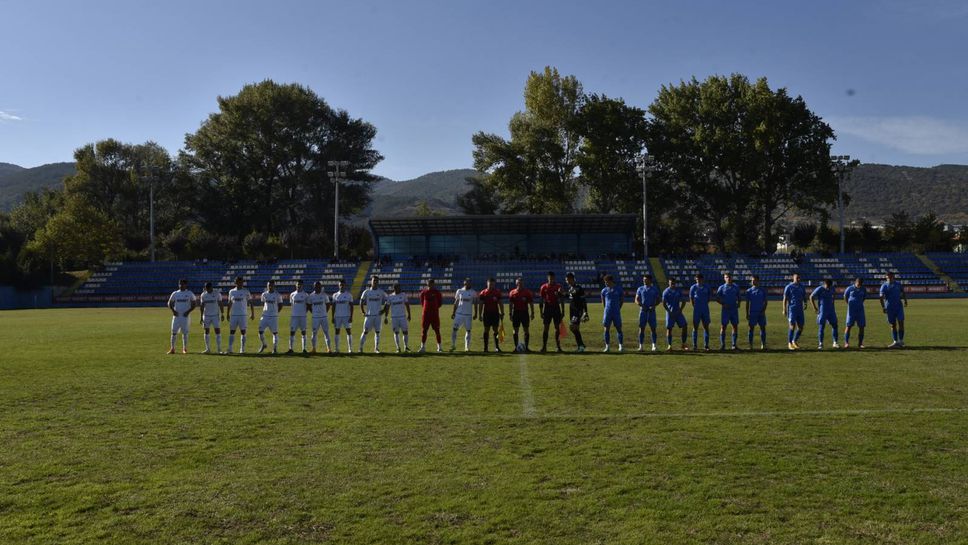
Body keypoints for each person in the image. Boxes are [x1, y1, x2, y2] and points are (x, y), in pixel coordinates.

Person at [359, 275, 388, 353]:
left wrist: (384, 310)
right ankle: (360, 348)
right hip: (369, 316)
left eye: (376, 281)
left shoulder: (381, 292)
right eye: (373, 280)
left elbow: (387, 301)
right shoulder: (366, 292)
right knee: (365, 331)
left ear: (378, 282)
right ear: (371, 281)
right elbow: (361, 301)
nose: (375, 282)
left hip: (378, 316)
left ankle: (376, 348)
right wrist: (362, 311)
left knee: (377, 332)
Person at [167, 278, 197, 354]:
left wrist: (188, 312)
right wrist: (173, 311)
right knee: (173, 332)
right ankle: (172, 349)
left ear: (186, 285)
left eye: (182, 284)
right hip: (176, 317)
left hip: (185, 317)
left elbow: (194, 304)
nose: (181, 285)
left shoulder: (190, 293)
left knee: (185, 333)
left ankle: (185, 349)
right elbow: (169, 303)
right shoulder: (175, 293)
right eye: (179, 284)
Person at [226, 276, 255, 354]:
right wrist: (227, 314)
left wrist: (252, 313)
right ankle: (230, 348)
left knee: (243, 331)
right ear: (235, 282)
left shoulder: (246, 291)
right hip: (234, 315)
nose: (240, 283)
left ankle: (242, 349)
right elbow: (229, 303)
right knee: (232, 331)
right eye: (238, 282)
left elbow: (251, 303)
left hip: (243, 315)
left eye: (241, 282)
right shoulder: (231, 292)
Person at [880, 271, 908, 348]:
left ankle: (901, 341)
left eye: (890, 276)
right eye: (888, 277)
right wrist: (883, 307)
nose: (889, 278)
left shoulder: (898, 284)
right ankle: (895, 341)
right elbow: (881, 297)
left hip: (899, 306)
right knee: (893, 325)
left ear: (893, 277)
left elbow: (903, 292)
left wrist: (905, 301)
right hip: (889, 307)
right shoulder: (884, 286)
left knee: (901, 322)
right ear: (886, 277)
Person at [538, 271, 565, 353]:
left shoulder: (558, 286)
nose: (552, 279)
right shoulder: (543, 287)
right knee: (546, 328)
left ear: (554, 278)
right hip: (547, 308)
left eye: (553, 278)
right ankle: (544, 347)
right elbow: (541, 300)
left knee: (557, 328)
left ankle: (558, 347)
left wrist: (563, 310)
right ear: (548, 278)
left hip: (556, 308)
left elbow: (561, 299)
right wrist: (541, 312)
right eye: (550, 278)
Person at [810, 278, 840, 350]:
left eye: (830, 286)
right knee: (822, 326)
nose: (829, 287)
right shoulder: (820, 289)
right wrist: (814, 308)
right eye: (828, 286)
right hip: (823, 310)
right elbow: (811, 297)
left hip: (831, 310)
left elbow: (834, 294)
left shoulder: (832, 288)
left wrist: (833, 302)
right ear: (825, 284)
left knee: (835, 325)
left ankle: (835, 342)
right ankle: (820, 343)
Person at [634, 274, 660, 352]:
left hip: (652, 311)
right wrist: (640, 305)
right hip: (643, 311)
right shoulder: (640, 288)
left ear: (650, 280)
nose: (644, 281)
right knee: (641, 328)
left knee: (653, 329)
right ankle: (641, 346)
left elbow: (658, 300)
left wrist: (654, 305)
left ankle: (654, 346)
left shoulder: (654, 289)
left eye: (646, 279)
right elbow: (636, 299)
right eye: (643, 279)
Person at [508, 277, 535, 352]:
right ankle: (516, 348)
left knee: (526, 330)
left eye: (521, 283)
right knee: (515, 330)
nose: (519, 284)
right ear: (516, 284)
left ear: (523, 283)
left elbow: (531, 303)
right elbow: (510, 304)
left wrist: (532, 313)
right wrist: (510, 314)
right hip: (516, 313)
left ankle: (526, 347)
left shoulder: (527, 292)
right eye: (518, 283)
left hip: (524, 313)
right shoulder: (512, 292)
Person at [716, 272, 741, 350]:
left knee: (735, 326)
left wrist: (739, 303)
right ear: (724, 278)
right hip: (725, 310)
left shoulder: (736, 287)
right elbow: (717, 298)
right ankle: (722, 345)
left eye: (729, 277)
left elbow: (739, 297)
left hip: (734, 310)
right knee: (723, 326)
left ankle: (734, 345)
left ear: (732, 278)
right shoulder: (721, 287)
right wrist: (722, 303)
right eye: (726, 277)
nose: (728, 278)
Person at [478, 278, 504, 352]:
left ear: (494, 284)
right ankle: (485, 348)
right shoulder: (483, 293)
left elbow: (500, 303)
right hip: (486, 314)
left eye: (492, 284)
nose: (491, 286)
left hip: (495, 314)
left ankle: (497, 347)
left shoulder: (497, 292)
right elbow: (481, 305)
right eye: (490, 284)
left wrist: (502, 313)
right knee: (486, 330)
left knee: (495, 330)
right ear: (487, 284)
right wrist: (480, 315)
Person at [662, 278, 689, 351]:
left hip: (678, 312)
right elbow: (664, 303)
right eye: (671, 283)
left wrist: (680, 310)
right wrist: (668, 311)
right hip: (670, 313)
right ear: (669, 283)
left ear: (675, 283)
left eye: (673, 283)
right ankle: (669, 345)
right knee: (669, 329)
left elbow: (684, 301)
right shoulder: (666, 292)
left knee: (685, 326)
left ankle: (684, 344)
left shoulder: (678, 291)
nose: (672, 284)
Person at [451, 278, 477, 352]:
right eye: (466, 283)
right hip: (459, 314)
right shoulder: (459, 291)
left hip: (468, 315)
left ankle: (467, 347)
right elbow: (456, 302)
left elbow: (475, 304)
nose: (468, 284)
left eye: (469, 283)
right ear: (464, 283)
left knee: (468, 331)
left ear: (470, 284)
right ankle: (453, 345)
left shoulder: (473, 292)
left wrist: (476, 314)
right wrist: (453, 313)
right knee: (454, 329)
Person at [782, 272, 807, 351]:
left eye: (799, 278)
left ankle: (794, 341)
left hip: (800, 309)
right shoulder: (789, 287)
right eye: (797, 278)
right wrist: (784, 309)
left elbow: (804, 296)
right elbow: (785, 299)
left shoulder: (802, 287)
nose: (798, 279)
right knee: (792, 326)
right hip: (792, 309)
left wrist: (805, 302)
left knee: (800, 327)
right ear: (793, 278)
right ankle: (789, 343)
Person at [565, 272, 589, 352]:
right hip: (572, 311)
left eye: (567, 279)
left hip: (577, 311)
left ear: (571, 279)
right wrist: (560, 293)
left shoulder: (578, 288)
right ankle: (581, 345)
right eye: (566, 279)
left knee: (572, 326)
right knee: (574, 328)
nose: (566, 280)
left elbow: (583, 300)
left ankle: (581, 346)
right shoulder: (570, 288)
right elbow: (568, 296)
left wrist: (585, 312)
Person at [198, 281, 224, 354]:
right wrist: (201, 317)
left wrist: (222, 314)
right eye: (206, 289)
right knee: (206, 331)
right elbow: (202, 306)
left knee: (217, 331)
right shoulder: (203, 295)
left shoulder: (217, 294)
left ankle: (219, 349)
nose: (207, 290)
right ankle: (207, 349)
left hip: (215, 315)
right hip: (206, 316)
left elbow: (220, 304)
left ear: (211, 287)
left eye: (208, 288)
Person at [258, 280, 283, 354]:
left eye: (271, 285)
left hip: (273, 317)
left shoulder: (277, 295)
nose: (270, 287)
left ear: (274, 286)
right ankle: (264, 344)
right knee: (260, 332)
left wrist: (275, 313)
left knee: (275, 333)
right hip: (264, 316)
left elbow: (280, 306)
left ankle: (275, 349)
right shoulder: (264, 294)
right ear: (267, 286)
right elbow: (263, 304)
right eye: (269, 285)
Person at [384, 283, 411, 353]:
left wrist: (409, 314)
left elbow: (407, 305)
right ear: (394, 288)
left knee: (405, 332)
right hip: (394, 317)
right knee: (396, 333)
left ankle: (406, 347)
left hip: (403, 317)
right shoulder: (390, 297)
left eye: (399, 287)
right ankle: (398, 348)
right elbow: (387, 307)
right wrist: (386, 317)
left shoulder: (403, 295)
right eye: (396, 288)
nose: (398, 289)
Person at [600, 274, 624, 352]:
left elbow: (622, 300)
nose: (605, 283)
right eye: (605, 282)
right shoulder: (604, 290)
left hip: (616, 312)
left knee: (619, 329)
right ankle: (607, 346)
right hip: (607, 312)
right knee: (606, 329)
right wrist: (606, 309)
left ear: (611, 281)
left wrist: (618, 308)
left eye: (606, 282)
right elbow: (603, 302)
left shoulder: (619, 289)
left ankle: (620, 346)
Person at [307, 281, 332, 353]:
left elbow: (328, 305)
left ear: (321, 287)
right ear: (314, 287)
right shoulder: (311, 296)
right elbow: (309, 305)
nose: (317, 287)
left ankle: (329, 349)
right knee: (314, 333)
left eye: (319, 286)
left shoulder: (324, 295)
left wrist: (325, 312)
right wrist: (313, 312)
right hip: (315, 318)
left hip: (324, 317)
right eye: (316, 286)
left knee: (326, 333)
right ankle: (314, 349)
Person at [689, 273, 713, 351]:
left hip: (705, 309)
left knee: (706, 327)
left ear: (702, 279)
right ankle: (695, 345)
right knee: (695, 327)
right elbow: (691, 298)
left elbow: (709, 297)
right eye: (697, 279)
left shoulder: (707, 287)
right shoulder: (693, 287)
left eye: (699, 279)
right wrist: (695, 306)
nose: (698, 280)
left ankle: (706, 345)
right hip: (697, 310)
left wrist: (704, 304)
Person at [744, 274, 768, 350]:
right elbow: (747, 303)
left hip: (761, 313)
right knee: (751, 329)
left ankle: (763, 345)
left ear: (758, 281)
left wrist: (763, 310)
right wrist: (747, 313)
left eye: (754, 280)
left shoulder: (763, 290)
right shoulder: (749, 291)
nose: (753, 281)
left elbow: (765, 302)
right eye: (752, 280)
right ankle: (750, 345)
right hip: (753, 312)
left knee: (763, 328)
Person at [419, 278, 443, 353]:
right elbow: (422, 303)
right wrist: (426, 309)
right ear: (427, 284)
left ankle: (439, 347)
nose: (430, 284)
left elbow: (440, 303)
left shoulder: (437, 292)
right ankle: (422, 347)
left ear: (434, 284)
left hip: (434, 315)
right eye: (429, 283)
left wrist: (434, 308)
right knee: (424, 331)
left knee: (437, 331)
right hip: (426, 315)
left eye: (432, 283)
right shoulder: (424, 292)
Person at [331, 279, 354, 353]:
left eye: (343, 285)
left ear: (345, 286)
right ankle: (337, 349)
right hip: (337, 316)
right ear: (338, 286)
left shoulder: (349, 295)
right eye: (340, 285)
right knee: (337, 332)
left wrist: (351, 316)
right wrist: (332, 316)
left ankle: (350, 349)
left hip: (346, 316)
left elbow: (351, 307)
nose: (342, 286)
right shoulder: (335, 295)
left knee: (349, 332)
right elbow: (333, 307)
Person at [843, 277, 867, 349]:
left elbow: (864, 297)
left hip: (860, 310)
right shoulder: (850, 288)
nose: (859, 285)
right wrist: (849, 304)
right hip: (851, 310)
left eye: (861, 283)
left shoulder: (863, 289)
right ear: (855, 282)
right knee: (849, 326)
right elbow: (845, 296)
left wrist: (859, 303)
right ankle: (846, 343)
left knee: (862, 327)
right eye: (858, 283)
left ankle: (860, 343)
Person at [288, 279, 310, 354]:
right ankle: (291, 349)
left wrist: (303, 312)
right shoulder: (292, 294)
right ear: (295, 285)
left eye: (300, 285)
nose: (298, 286)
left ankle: (304, 349)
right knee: (292, 332)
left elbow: (308, 306)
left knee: (303, 332)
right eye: (297, 284)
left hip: (302, 316)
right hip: (294, 316)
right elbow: (292, 305)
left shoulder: (306, 295)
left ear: (302, 286)